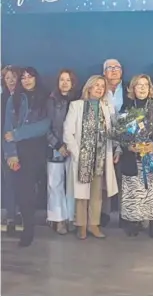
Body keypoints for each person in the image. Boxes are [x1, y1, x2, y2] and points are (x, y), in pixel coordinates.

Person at [63, 75, 119, 240]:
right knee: (81, 194)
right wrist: (77, 152)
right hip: (82, 157)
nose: (99, 88)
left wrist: (117, 149)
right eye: (96, 85)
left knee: (96, 193)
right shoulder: (77, 106)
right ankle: (81, 225)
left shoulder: (107, 107)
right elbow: (68, 132)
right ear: (88, 88)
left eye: (102, 86)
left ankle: (94, 224)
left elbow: (114, 131)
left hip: (101, 156)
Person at [3, 67, 49, 247]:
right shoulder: (12, 100)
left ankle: (31, 225)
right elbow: (6, 129)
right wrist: (10, 154)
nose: (27, 80)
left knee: (33, 192)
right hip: (18, 152)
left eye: (30, 77)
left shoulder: (45, 98)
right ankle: (27, 229)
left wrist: (18, 134)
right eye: (23, 78)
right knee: (22, 193)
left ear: (36, 78)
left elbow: (45, 125)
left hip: (37, 150)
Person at [120, 74, 153, 238]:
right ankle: (134, 222)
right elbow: (120, 133)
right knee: (135, 190)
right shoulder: (126, 109)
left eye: (145, 85)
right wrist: (129, 146)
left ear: (150, 89)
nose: (142, 88)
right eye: (138, 85)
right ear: (132, 88)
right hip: (133, 157)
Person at [46, 69, 78, 235]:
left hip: (73, 148)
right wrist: (58, 145)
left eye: (68, 80)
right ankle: (58, 219)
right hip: (55, 148)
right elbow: (46, 127)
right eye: (62, 80)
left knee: (72, 185)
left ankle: (70, 218)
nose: (65, 83)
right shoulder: (51, 101)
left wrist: (71, 145)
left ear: (73, 83)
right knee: (55, 184)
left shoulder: (78, 101)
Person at [101, 58, 129, 227]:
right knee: (103, 177)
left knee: (124, 178)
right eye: (109, 68)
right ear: (104, 72)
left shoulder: (128, 89)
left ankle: (125, 215)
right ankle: (103, 213)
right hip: (103, 139)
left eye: (117, 67)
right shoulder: (98, 88)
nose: (113, 70)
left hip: (126, 139)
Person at [1, 65, 21, 236]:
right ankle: (11, 215)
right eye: (7, 78)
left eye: (13, 77)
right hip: (5, 147)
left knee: (22, 182)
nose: (11, 81)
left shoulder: (23, 98)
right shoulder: (3, 99)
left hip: (21, 146)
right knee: (8, 182)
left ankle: (21, 213)